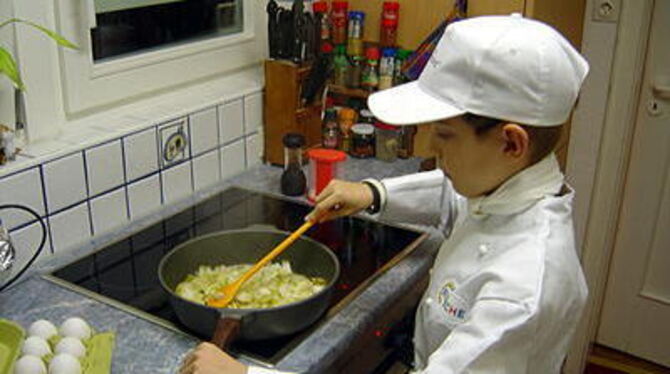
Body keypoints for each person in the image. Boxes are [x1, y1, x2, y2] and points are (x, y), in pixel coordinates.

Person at [179, 13, 589, 374]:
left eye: (444, 135)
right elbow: (456, 200)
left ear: (511, 144)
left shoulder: (524, 290)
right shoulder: (503, 191)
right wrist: (370, 193)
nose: (433, 151)